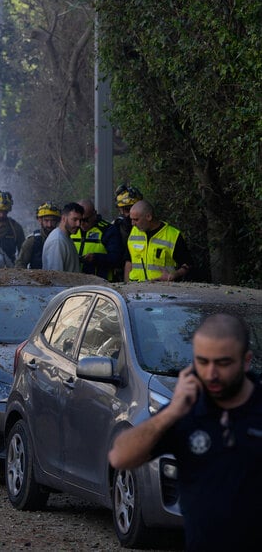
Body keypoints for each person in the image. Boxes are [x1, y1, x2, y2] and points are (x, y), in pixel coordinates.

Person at [108, 313, 261, 551]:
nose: (211, 374)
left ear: (246, 361)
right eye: (203, 361)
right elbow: (121, 457)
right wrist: (171, 414)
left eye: (223, 363)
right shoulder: (186, 410)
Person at [125, 200, 192, 282]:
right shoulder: (133, 232)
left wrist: (174, 275)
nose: (133, 223)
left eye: (136, 220)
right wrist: (126, 285)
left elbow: (187, 264)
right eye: (131, 219)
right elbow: (129, 261)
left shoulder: (172, 235)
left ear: (149, 217)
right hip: (136, 288)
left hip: (161, 289)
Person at [72, 199, 122, 280]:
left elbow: (117, 258)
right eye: (78, 220)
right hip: (74, 282)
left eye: (85, 220)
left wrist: (96, 258)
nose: (81, 224)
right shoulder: (72, 229)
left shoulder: (107, 230)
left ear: (94, 214)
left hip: (101, 283)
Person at [107, 184, 144, 282]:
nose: (126, 214)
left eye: (128, 209)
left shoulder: (146, 227)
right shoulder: (115, 226)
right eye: (123, 210)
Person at [15, 202, 61, 269]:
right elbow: (20, 264)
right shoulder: (32, 241)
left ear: (57, 221)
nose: (49, 225)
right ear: (40, 220)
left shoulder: (61, 239)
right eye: (46, 220)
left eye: (53, 221)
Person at [42, 202, 83, 272]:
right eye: (74, 220)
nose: (78, 224)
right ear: (63, 218)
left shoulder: (66, 237)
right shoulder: (57, 241)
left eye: (80, 220)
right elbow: (55, 276)